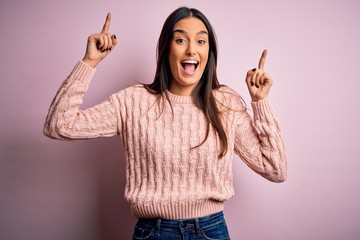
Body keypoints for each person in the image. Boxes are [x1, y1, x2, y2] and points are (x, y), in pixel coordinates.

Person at [44, 6, 287, 240]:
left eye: (201, 41)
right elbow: (59, 125)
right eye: (180, 40)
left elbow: (275, 169)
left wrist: (260, 102)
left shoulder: (225, 103)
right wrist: (89, 62)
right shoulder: (134, 101)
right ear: (166, 49)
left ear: (209, 53)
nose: (191, 49)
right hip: (153, 232)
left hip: (211, 231)